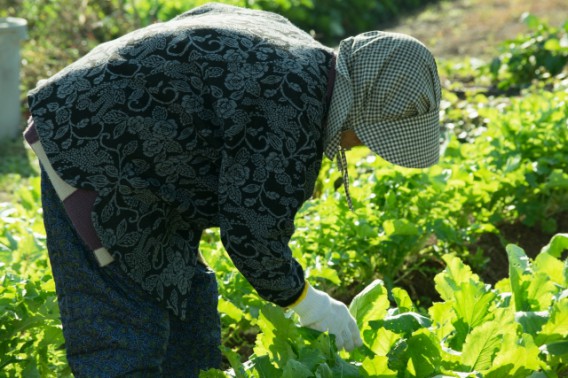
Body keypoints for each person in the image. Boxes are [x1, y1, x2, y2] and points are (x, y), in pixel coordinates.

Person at [25, 2, 441, 376]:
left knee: (189, 307)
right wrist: (306, 302)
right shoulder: (290, 104)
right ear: (358, 105)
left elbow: (201, 20)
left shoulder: (305, 58)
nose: (363, 147)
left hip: (140, 162)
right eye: (370, 136)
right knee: (126, 329)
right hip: (88, 150)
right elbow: (250, 234)